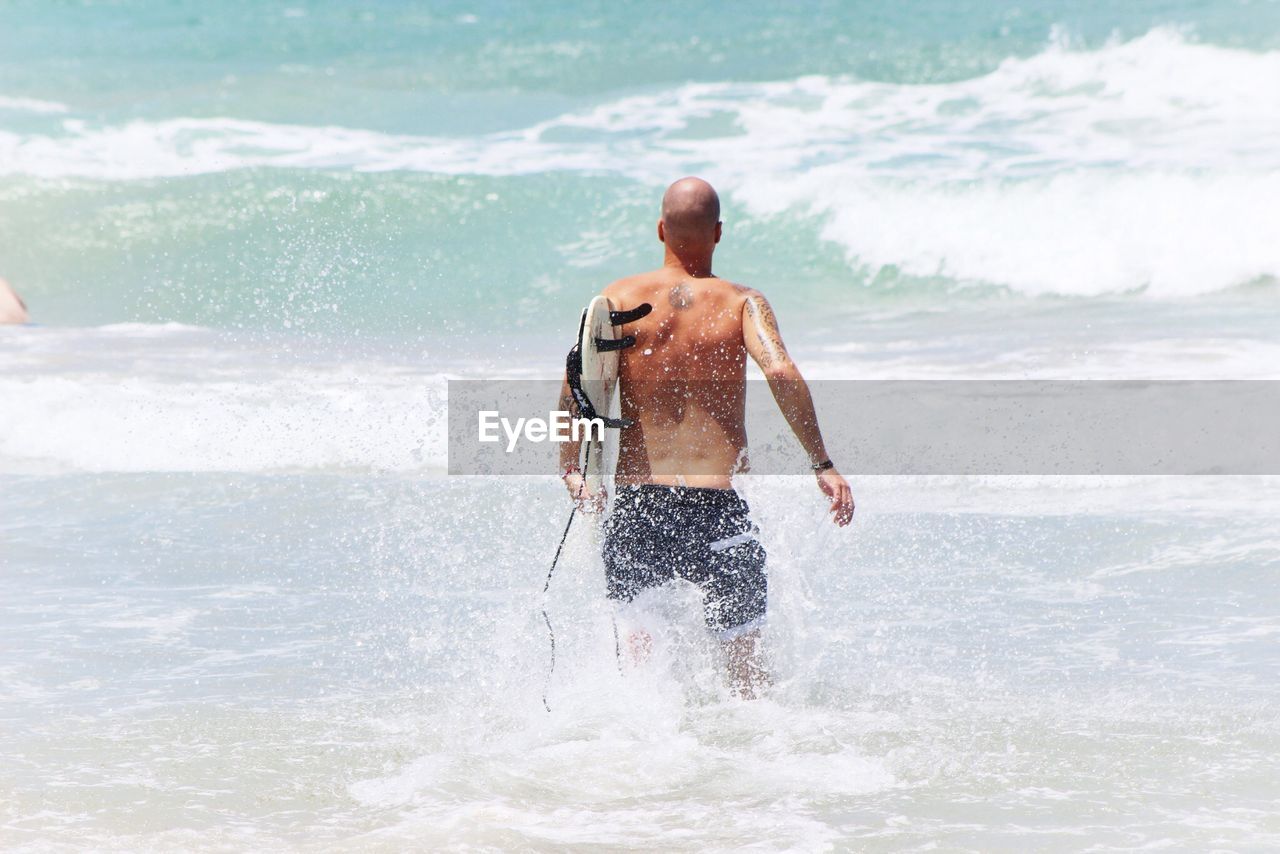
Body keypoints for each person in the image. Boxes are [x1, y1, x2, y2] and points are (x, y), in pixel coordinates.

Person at [559, 177, 853, 698]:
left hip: (639, 509)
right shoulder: (743, 303)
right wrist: (821, 463)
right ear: (719, 232)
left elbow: (577, 385)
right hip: (717, 510)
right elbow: (780, 372)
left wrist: (572, 469)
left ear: (659, 230)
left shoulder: (616, 300)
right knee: (747, 681)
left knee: (639, 676)